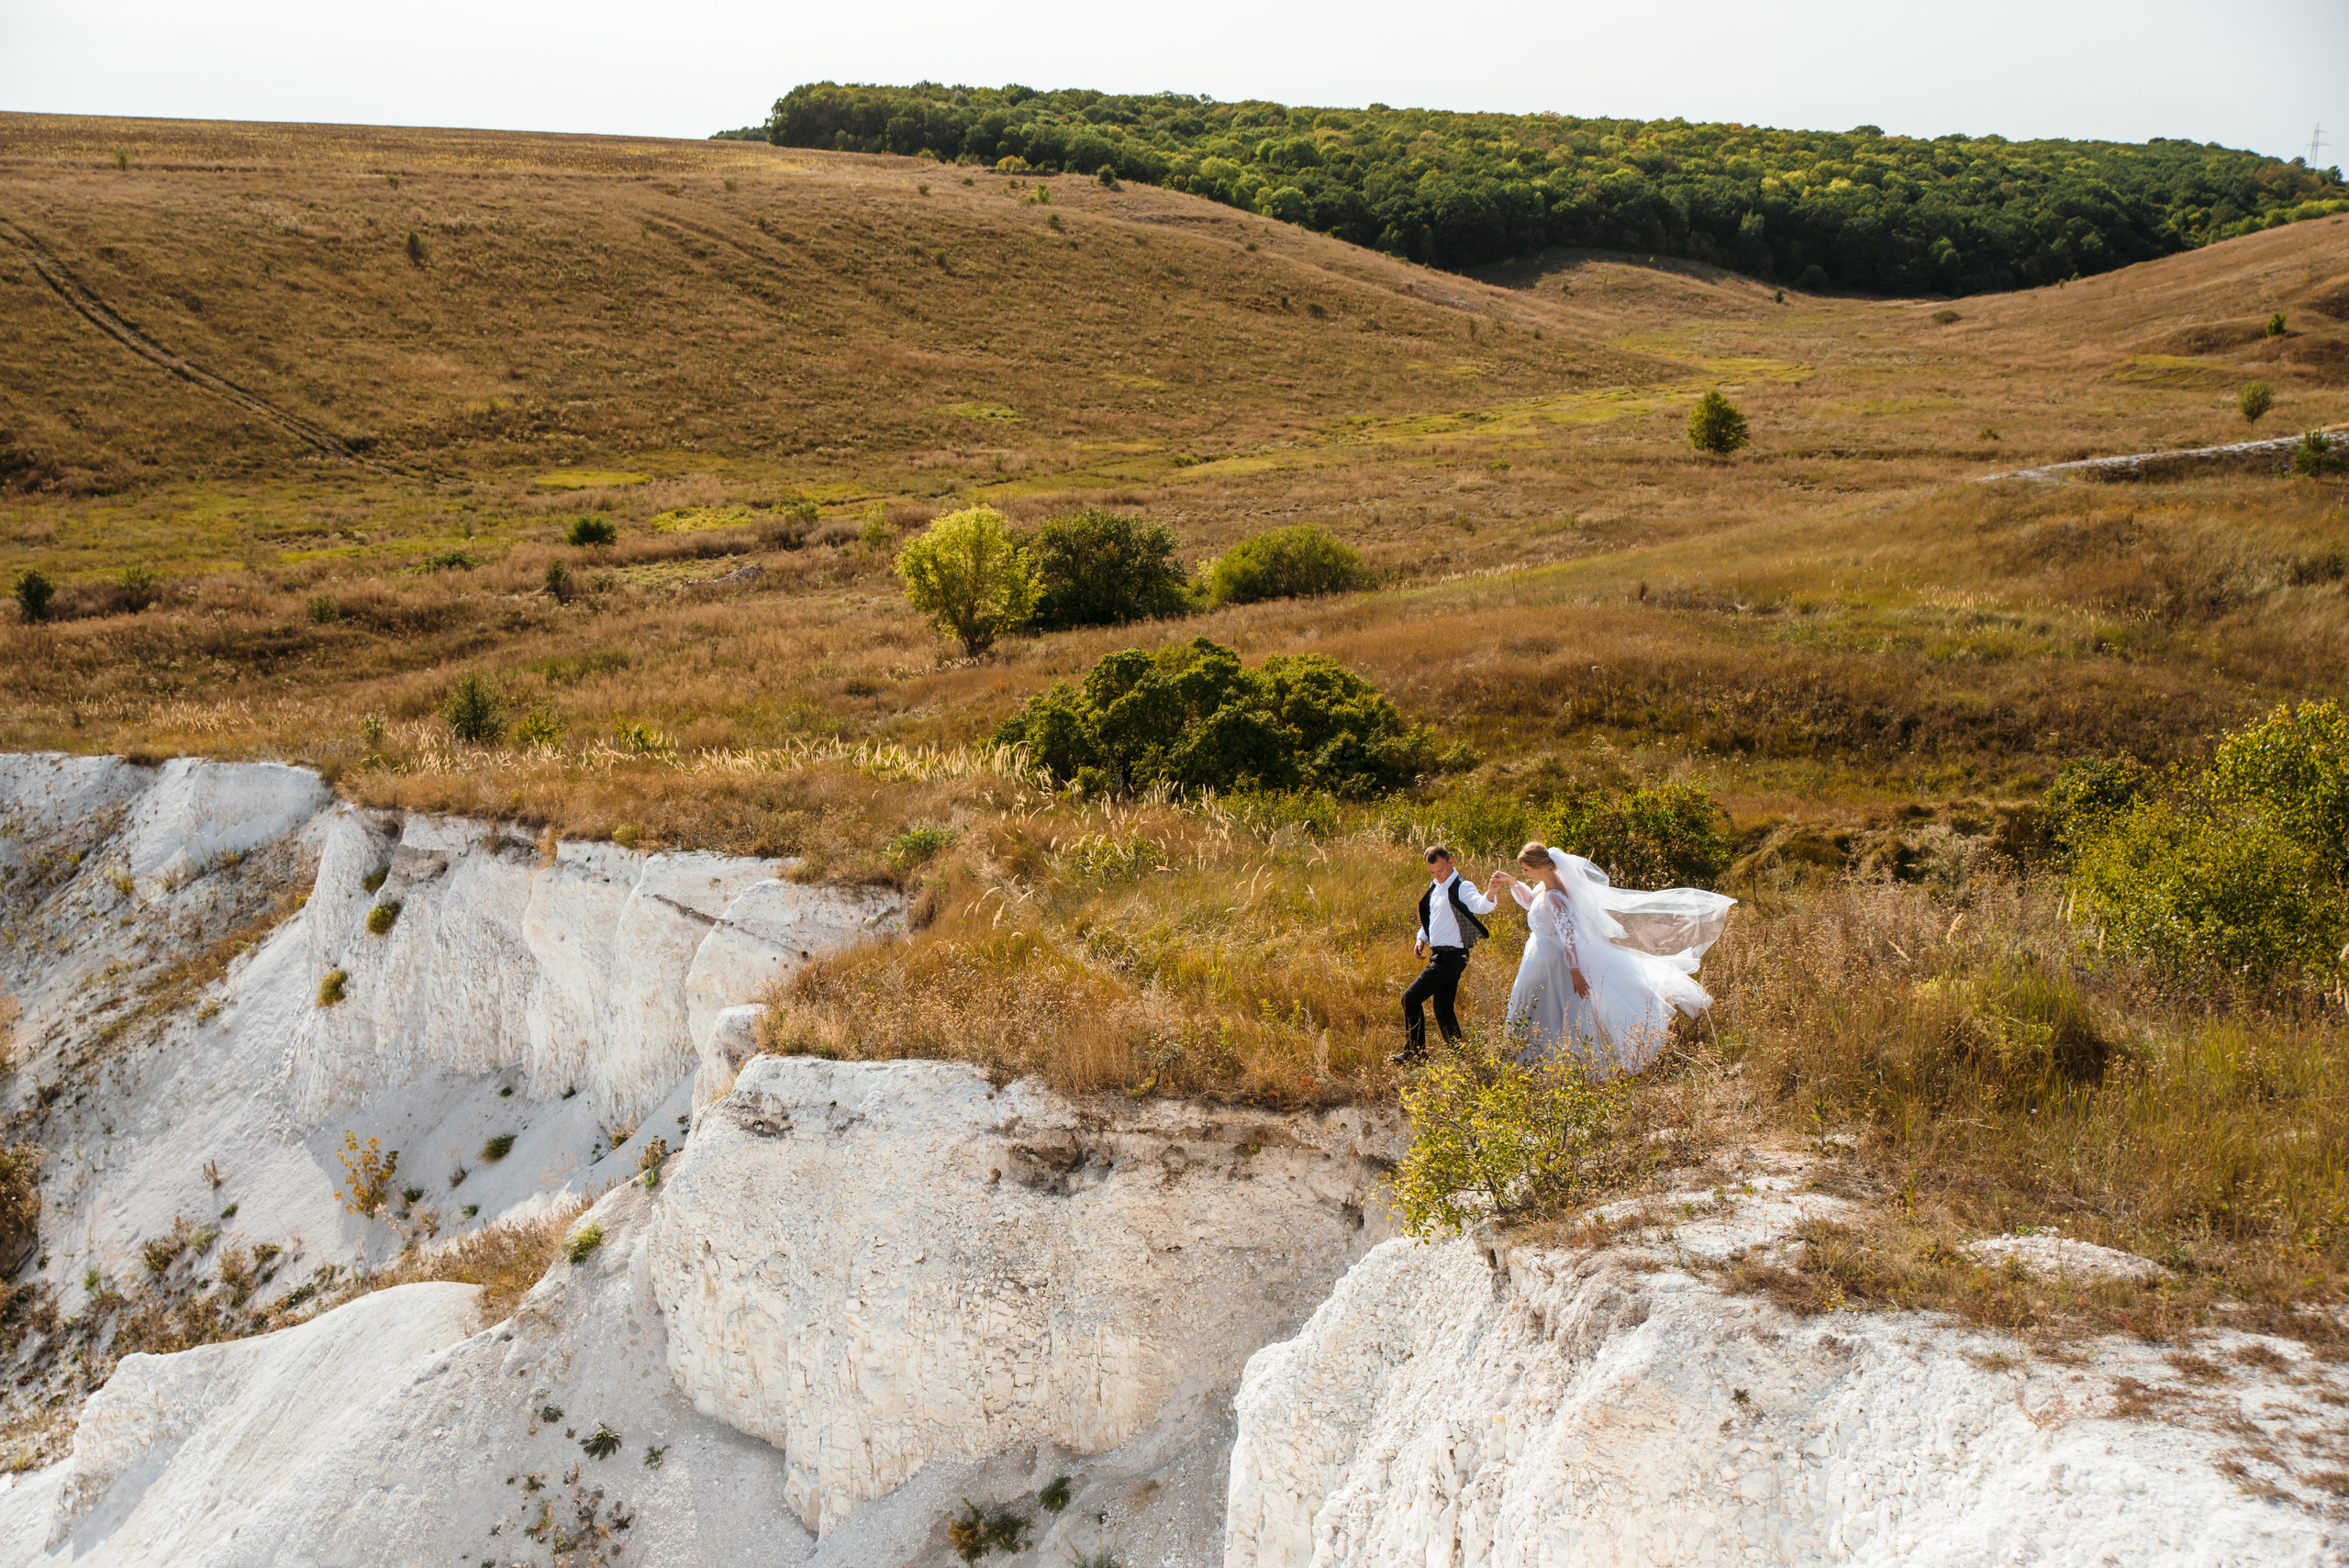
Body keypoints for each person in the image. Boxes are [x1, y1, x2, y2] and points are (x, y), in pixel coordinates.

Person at [1486, 840, 1736, 1073]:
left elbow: (1569, 937)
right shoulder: (1547, 887)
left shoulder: (1554, 896)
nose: (1525, 874)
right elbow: (1532, 901)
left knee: (1544, 1002)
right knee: (1542, 1002)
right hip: (1541, 954)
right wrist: (1511, 882)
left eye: (1526, 870)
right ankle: (1535, 1055)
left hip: (1550, 959)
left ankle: (1546, 1058)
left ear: (1540, 868)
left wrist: (1574, 971)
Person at [1400, 844, 1498, 1062]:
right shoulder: (1435, 886)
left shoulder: (1462, 886)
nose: (1437, 876)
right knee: (1443, 1009)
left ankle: (1416, 1054)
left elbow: (1481, 905)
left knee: (1410, 999)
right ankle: (1459, 1058)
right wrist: (1421, 939)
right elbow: (1431, 919)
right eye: (1432, 872)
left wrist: (1491, 892)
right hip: (1440, 955)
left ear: (1450, 862)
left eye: (1440, 871)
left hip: (1453, 958)